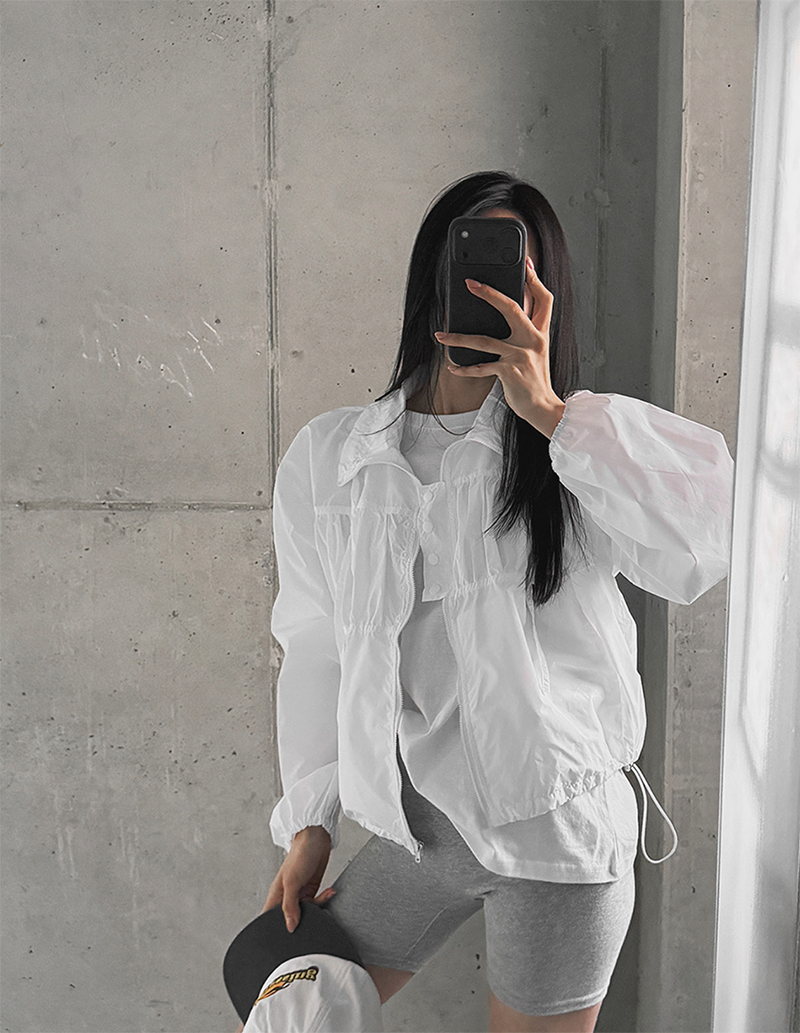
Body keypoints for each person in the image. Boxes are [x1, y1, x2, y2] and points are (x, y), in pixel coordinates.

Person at [255, 170, 734, 1033]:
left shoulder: (573, 447)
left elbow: (700, 546)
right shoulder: (333, 458)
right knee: (288, 1019)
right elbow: (315, 647)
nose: (484, 289)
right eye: (464, 263)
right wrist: (310, 825)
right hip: (422, 831)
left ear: (543, 296)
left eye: (510, 271)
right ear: (430, 276)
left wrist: (549, 411)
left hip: (559, 838)